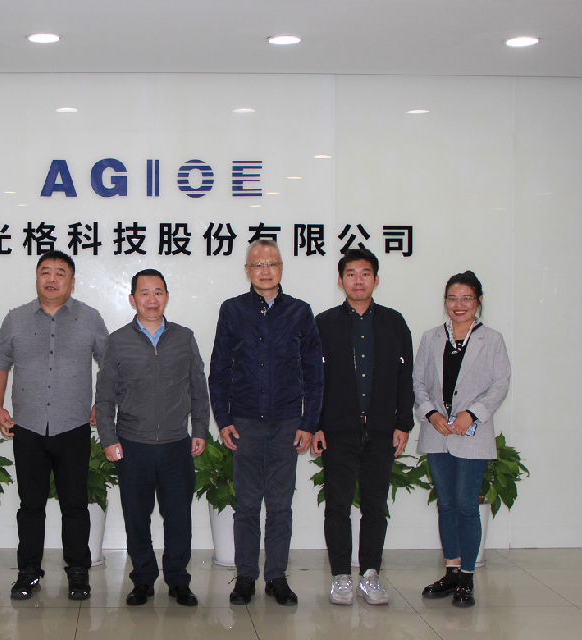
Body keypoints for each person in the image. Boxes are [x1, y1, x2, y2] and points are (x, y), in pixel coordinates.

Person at [209, 238, 323, 606]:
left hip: (287, 422)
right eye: (257, 265)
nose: (265, 270)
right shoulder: (232, 310)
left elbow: (314, 374)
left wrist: (308, 423)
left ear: (281, 268)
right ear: (247, 270)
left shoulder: (299, 312)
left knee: (280, 505)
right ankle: (245, 576)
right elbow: (219, 370)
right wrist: (223, 419)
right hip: (245, 421)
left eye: (271, 263)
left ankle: (276, 576)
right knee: (246, 505)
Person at [0, 250, 108, 601]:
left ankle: (78, 571)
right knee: (30, 506)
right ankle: (28, 571)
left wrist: (102, 403)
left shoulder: (90, 318)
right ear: (37, 278)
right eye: (45, 272)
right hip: (27, 427)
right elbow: (0, 362)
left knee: (75, 504)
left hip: (72, 426)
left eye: (60, 272)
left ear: (72, 281)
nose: (52, 279)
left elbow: (111, 363)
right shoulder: (16, 318)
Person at [95, 269, 209, 607]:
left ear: (167, 297)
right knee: (136, 517)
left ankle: (178, 581)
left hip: (176, 445)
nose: (151, 299)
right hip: (133, 445)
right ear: (133, 299)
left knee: (178, 518)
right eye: (144, 293)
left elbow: (198, 389)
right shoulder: (118, 341)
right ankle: (143, 580)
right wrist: (108, 438)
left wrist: (199, 429)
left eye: (158, 292)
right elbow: (104, 396)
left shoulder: (184, 338)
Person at [312, 249, 414, 606]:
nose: (358, 280)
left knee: (375, 506)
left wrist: (403, 423)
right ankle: (341, 575)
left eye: (365, 273)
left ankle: (370, 574)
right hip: (338, 430)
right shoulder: (324, 323)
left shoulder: (394, 322)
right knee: (337, 506)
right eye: (351, 274)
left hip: (382, 430)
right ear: (341, 281)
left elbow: (405, 377)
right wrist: (316, 425)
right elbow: (314, 379)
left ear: (376, 279)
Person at [414, 270, 510, 608]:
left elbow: (500, 384)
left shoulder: (492, 339)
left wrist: (473, 414)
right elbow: (418, 382)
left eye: (466, 298)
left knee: (467, 504)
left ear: (478, 301)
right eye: (452, 298)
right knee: (446, 504)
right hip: (437, 432)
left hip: (472, 433)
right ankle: (451, 571)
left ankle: (467, 577)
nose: (459, 305)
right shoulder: (431, 338)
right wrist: (431, 414)